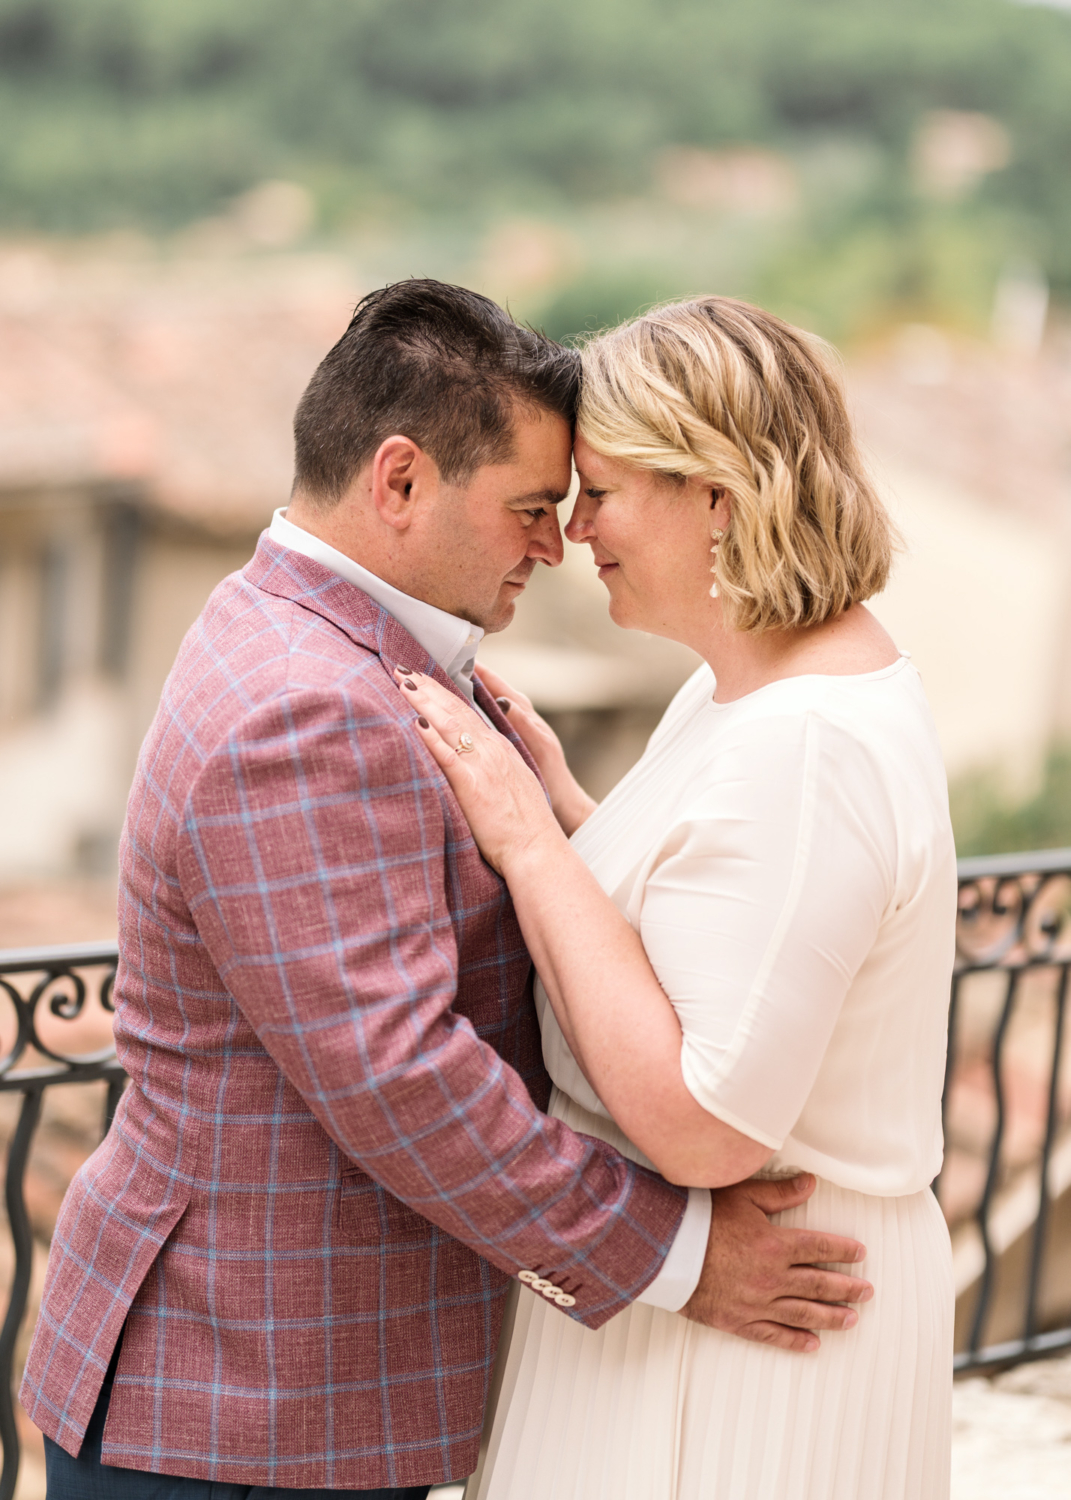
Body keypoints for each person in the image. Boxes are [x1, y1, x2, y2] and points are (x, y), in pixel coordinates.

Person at [22, 282, 872, 1499]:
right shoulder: (305, 708)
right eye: (531, 507)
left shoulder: (326, 637)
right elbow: (400, 1071)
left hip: (286, 1396)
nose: (554, 542)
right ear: (402, 480)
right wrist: (676, 1255)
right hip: (239, 1410)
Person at [397, 295, 957, 1500]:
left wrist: (527, 846)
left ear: (718, 490)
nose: (573, 530)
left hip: (756, 1344)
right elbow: (709, 924)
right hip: (690, 1329)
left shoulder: (805, 747)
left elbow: (709, 1121)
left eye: (602, 492)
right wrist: (565, 806)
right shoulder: (747, 687)